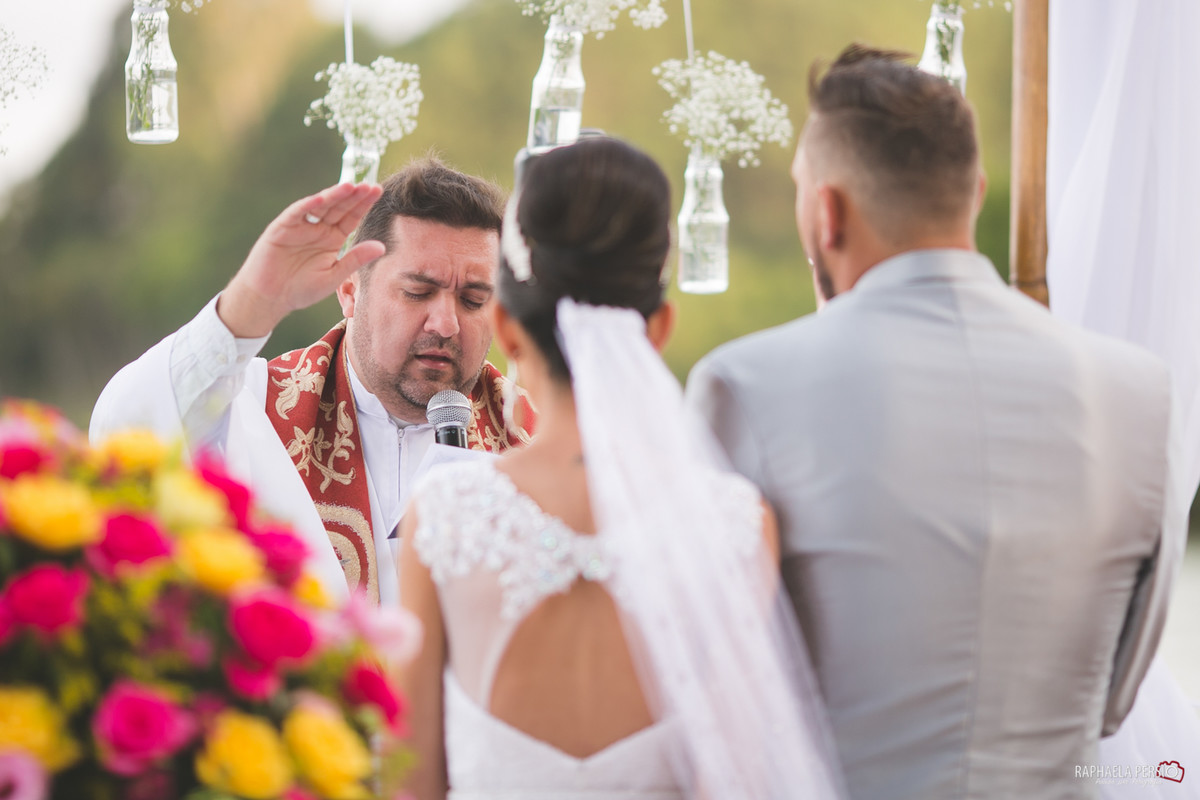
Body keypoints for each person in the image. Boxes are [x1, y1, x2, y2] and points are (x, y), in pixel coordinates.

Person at [685, 45, 1184, 799]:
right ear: (977, 191)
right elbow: (1115, 701)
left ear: (827, 211)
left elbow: (718, 684)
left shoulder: (743, 385)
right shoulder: (1141, 392)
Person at [394, 137, 846, 799]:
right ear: (658, 328)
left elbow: (408, 786)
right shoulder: (733, 525)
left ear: (507, 330)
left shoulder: (443, 516)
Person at [90, 158, 536, 606]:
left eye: (473, 300)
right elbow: (131, 424)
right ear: (349, 292)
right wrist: (252, 302)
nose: (445, 324)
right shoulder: (255, 404)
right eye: (417, 292)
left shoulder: (537, 438)